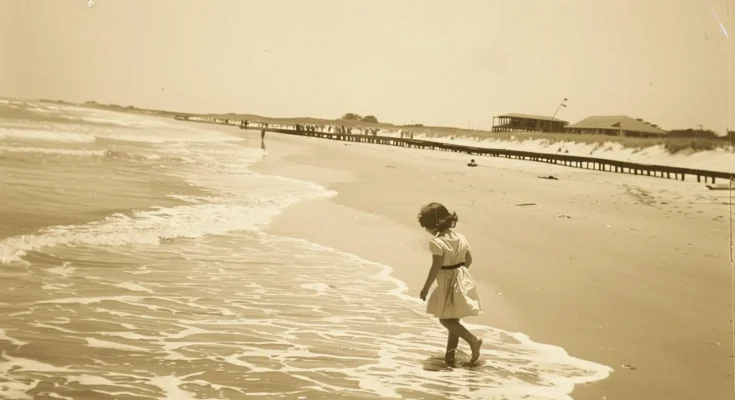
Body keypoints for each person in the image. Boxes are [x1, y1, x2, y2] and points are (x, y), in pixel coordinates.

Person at [417, 202, 483, 366]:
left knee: (445, 320)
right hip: (462, 279)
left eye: (426, 226)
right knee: (454, 321)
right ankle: (450, 358)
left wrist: (426, 288)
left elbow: (436, 267)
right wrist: (459, 274)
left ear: (434, 224)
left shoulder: (437, 242)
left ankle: (473, 341)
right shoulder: (461, 238)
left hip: (446, 282)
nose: (425, 229)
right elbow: (468, 260)